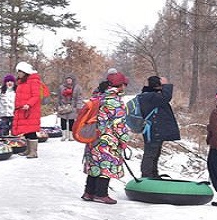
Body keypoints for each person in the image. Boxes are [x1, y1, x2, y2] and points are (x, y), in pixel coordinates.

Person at [82, 72, 130, 204]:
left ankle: (89, 192)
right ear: (119, 86)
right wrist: (124, 140)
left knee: (94, 164)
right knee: (105, 165)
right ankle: (101, 194)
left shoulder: (98, 96)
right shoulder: (113, 101)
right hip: (107, 139)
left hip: (93, 136)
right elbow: (119, 124)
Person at [136, 75, 180, 178]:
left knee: (154, 153)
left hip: (153, 130)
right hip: (153, 131)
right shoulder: (151, 97)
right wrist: (165, 85)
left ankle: (153, 174)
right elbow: (166, 97)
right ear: (157, 86)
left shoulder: (147, 95)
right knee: (151, 154)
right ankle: (147, 176)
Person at [12, 62, 45, 158]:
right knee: (26, 130)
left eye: (20, 72)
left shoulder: (33, 81)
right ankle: (28, 149)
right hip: (23, 109)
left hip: (30, 110)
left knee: (31, 131)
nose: (18, 74)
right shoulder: (22, 82)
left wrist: (28, 104)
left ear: (25, 72)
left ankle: (33, 152)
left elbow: (36, 96)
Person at [57, 75, 82, 141]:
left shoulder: (77, 87)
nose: (69, 81)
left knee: (71, 121)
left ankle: (71, 136)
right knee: (63, 120)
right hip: (63, 106)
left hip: (72, 106)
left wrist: (78, 106)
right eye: (67, 79)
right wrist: (58, 105)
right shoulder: (61, 87)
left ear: (72, 80)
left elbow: (79, 97)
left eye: (70, 79)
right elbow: (59, 97)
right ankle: (64, 135)